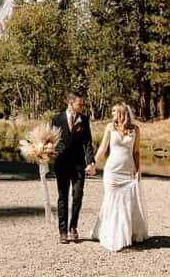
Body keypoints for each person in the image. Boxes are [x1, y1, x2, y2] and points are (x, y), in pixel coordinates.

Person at [91, 102, 149, 251]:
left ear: (122, 113)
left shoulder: (135, 129)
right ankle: (110, 234)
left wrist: (138, 170)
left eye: (114, 112)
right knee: (111, 201)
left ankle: (127, 234)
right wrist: (93, 164)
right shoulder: (110, 128)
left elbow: (136, 152)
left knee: (127, 203)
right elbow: (103, 149)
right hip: (112, 172)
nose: (112, 115)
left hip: (127, 172)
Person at [51, 90, 96, 244]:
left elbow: (88, 142)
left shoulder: (84, 119)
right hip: (62, 164)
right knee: (62, 197)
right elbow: (52, 141)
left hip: (79, 165)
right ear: (71, 103)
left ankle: (73, 227)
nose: (82, 106)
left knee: (78, 195)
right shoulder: (57, 119)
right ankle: (62, 231)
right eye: (79, 103)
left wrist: (91, 162)